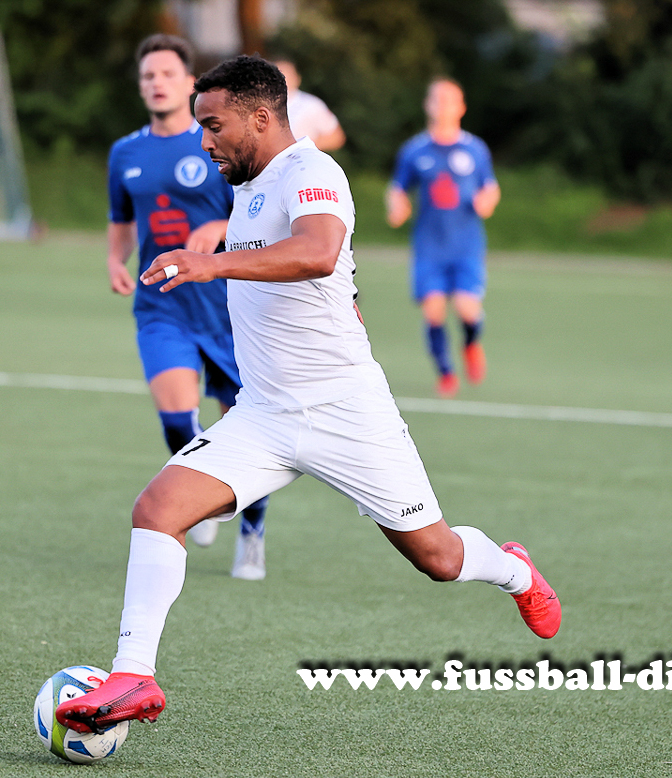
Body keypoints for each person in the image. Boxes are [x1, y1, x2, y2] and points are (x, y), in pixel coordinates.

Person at [56, 55, 560, 733]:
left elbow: (319, 251)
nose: (203, 141)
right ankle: (132, 676)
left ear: (261, 117)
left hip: (346, 411)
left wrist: (210, 262)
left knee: (438, 558)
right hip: (264, 413)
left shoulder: (311, 171)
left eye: (214, 125)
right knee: (157, 509)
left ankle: (514, 570)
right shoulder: (246, 185)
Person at [107, 34, 271, 579]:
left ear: (188, 84)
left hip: (229, 309)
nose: (156, 83)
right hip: (162, 306)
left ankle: (252, 532)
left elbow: (257, 210)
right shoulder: (125, 152)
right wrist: (115, 260)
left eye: (166, 74)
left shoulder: (218, 142)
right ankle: (197, 496)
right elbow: (120, 220)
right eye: (147, 76)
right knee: (178, 419)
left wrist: (219, 227)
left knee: (247, 433)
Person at [386, 78, 500, 398]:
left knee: (467, 309)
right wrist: (397, 206)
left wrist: (487, 201)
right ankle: (446, 373)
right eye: (438, 99)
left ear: (461, 107)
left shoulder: (475, 149)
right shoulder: (414, 150)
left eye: (451, 100)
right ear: (428, 105)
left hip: (466, 246)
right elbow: (397, 188)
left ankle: (471, 344)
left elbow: (490, 187)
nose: (444, 106)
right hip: (429, 247)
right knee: (433, 311)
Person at [273, 58, 345, 152]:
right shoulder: (262, 103)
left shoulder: (311, 104)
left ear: (297, 78)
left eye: (287, 75)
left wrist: (302, 149)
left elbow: (336, 137)